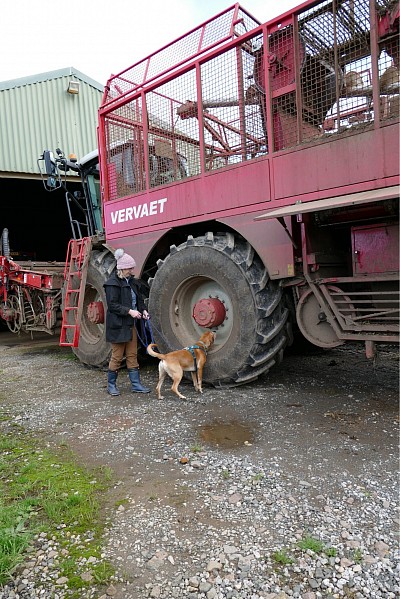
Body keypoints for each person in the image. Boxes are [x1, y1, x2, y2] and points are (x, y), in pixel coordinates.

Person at [103, 248, 151, 396]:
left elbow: (138, 300)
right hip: (118, 326)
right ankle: (111, 386)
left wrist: (143, 310)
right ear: (122, 269)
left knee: (132, 355)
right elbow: (113, 305)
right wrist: (130, 312)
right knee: (117, 357)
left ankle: (136, 385)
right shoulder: (112, 284)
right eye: (130, 268)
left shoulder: (132, 282)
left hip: (130, 326)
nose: (132, 270)